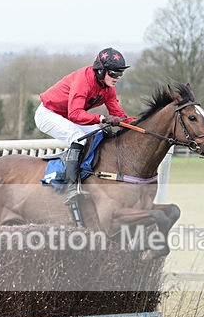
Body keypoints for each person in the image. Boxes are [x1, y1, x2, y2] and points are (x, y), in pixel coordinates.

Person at [35, 47, 133, 204]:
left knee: (101, 134)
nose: (117, 77)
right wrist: (102, 118)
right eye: (113, 73)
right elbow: (75, 114)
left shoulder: (108, 88)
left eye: (120, 74)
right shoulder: (83, 81)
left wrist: (140, 123)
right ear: (100, 71)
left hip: (68, 116)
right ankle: (72, 188)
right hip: (48, 114)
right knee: (78, 138)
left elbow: (119, 115)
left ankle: (90, 174)